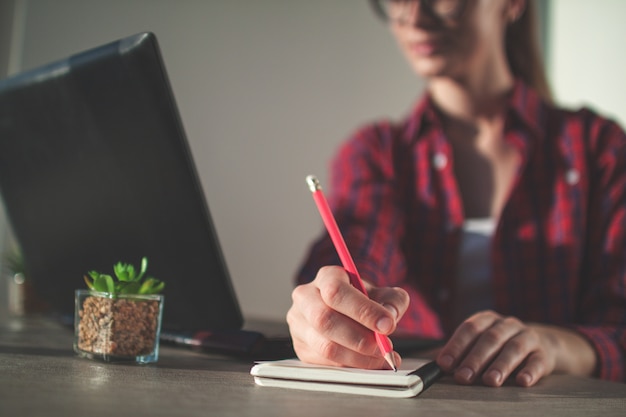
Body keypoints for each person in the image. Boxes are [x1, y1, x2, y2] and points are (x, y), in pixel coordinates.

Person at [287, 0, 626, 387]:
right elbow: (361, 245)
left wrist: (555, 345)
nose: (415, 19)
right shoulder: (377, 153)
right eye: (398, 0)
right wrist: (329, 305)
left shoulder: (599, 151)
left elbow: (620, 327)